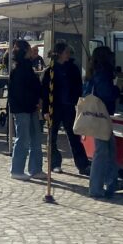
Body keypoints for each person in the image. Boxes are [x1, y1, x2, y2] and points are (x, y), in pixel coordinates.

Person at [42, 42, 88, 175]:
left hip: (69, 107)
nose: (69, 54)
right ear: (60, 53)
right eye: (66, 51)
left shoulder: (73, 68)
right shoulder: (49, 70)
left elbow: (78, 87)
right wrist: (45, 110)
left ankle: (83, 165)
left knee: (74, 136)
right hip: (54, 108)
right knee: (52, 137)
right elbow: (45, 92)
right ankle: (55, 164)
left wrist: (77, 101)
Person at [84, 44, 119, 198]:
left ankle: (111, 182)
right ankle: (96, 188)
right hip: (101, 116)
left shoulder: (92, 72)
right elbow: (107, 94)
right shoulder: (103, 74)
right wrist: (118, 89)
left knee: (109, 149)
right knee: (102, 151)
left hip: (95, 115)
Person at [7, 39, 44, 181]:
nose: (32, 52)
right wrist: (33, 101)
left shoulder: (28, 67)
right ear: (24, 52)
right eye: (29, 49)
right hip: (23, 108)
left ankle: (36, 169)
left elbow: (33, 86)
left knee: (35, 137)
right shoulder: (18, 70)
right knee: (23, 139)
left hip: (31, 107)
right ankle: (17, 169)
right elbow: (19, 92)